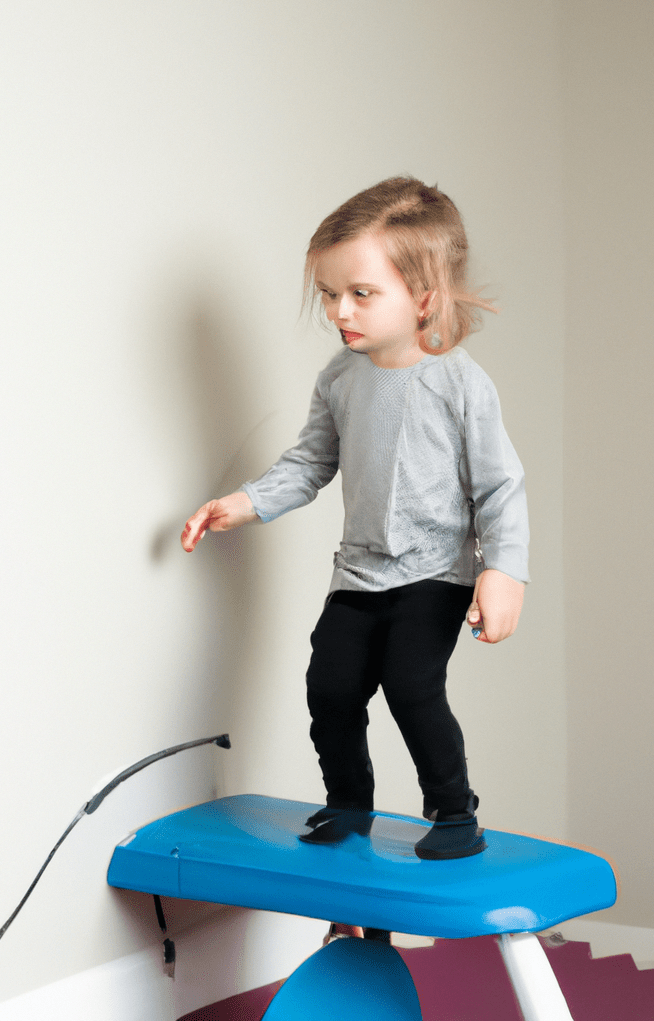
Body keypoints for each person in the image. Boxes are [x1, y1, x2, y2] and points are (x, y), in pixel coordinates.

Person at [181, 177, 528, 861]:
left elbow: (499, 487)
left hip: (434, 573)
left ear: (424, 295)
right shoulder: (342, 378)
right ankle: (348, 802)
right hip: (359, 573)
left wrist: (504, 573)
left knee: (411, 685)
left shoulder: (461, 383)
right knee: (330, 687)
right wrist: (245, 502)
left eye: (361, 293)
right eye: (330, 294)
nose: (340, 309)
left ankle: (455, 813)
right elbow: (311, 463)